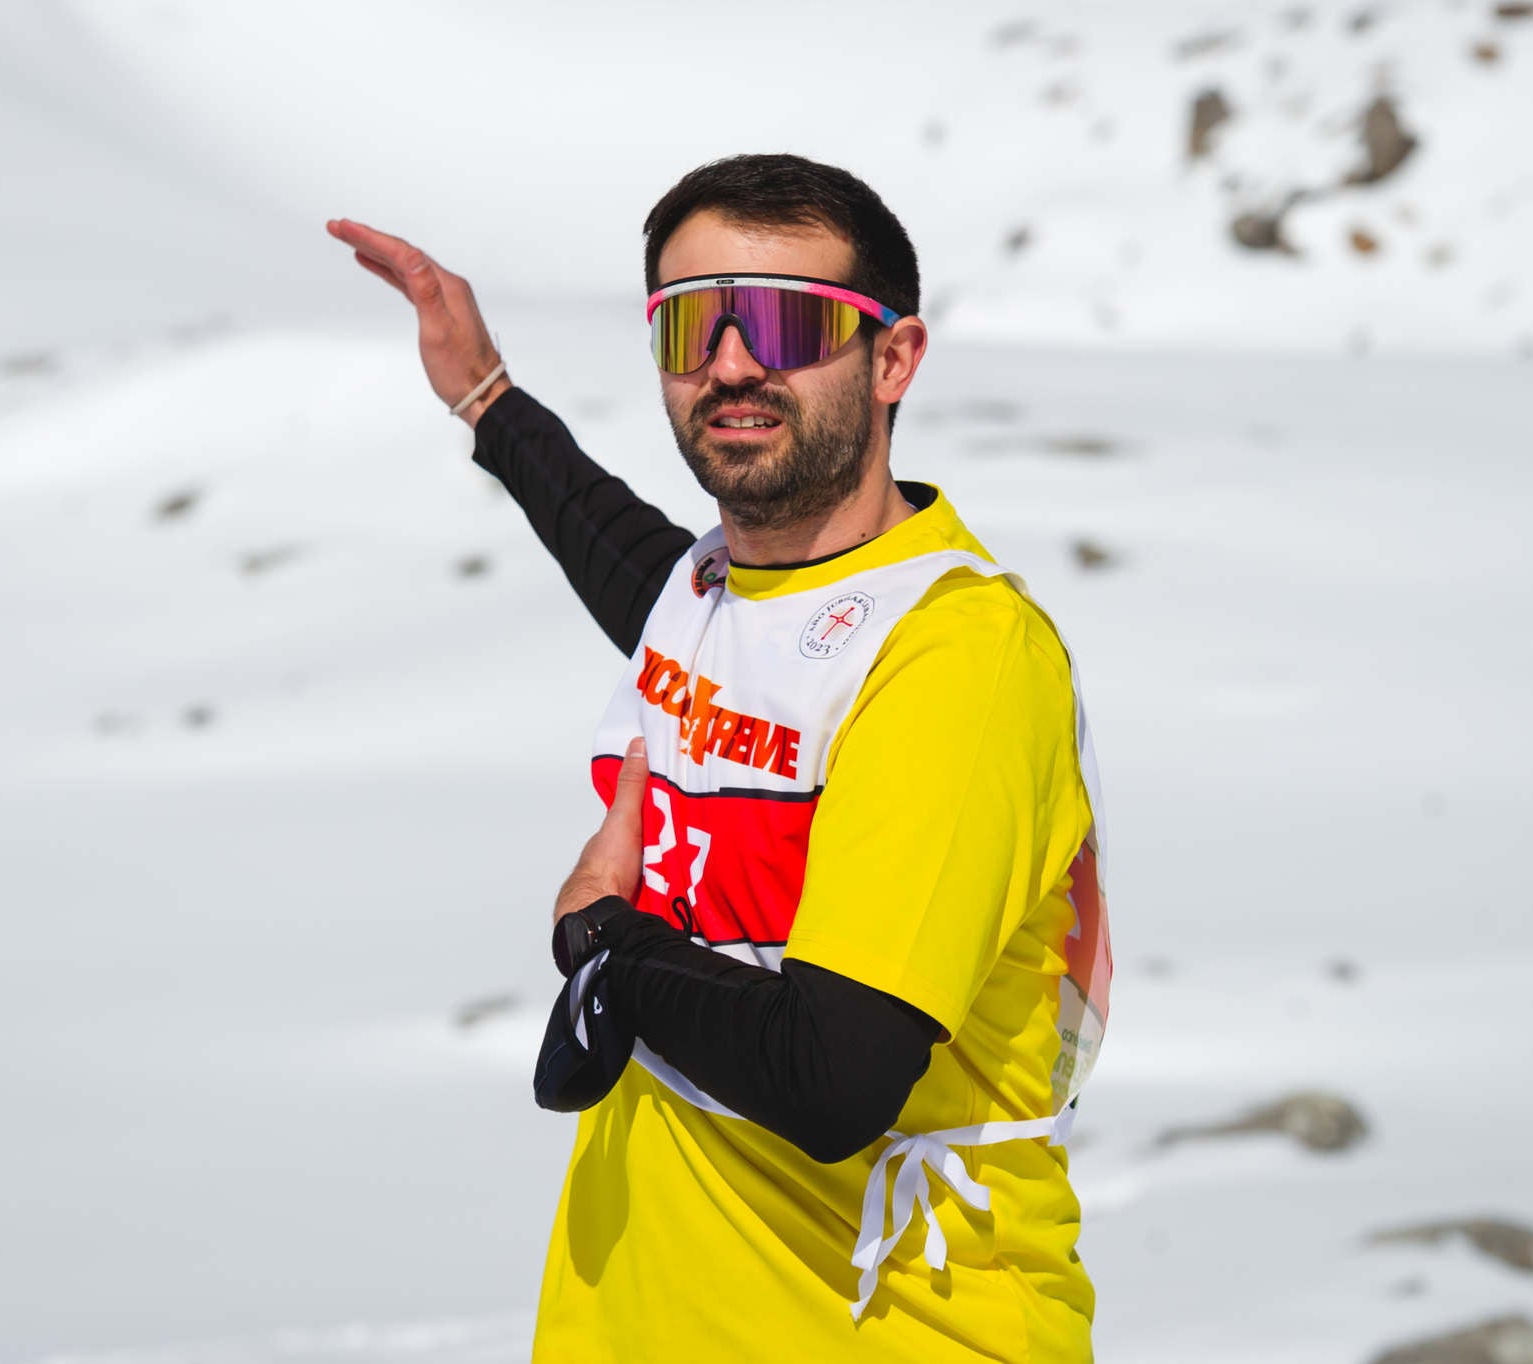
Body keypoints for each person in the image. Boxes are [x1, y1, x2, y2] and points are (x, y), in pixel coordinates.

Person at [327, 153, 1113, 1363]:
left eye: (791, 322)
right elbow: (628, 559)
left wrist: (604, 942)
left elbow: (830, 1075)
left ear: (892, 358)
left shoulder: (956, 657)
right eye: (693, 324)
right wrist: (487, 397)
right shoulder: (722, 599)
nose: (734, 362)